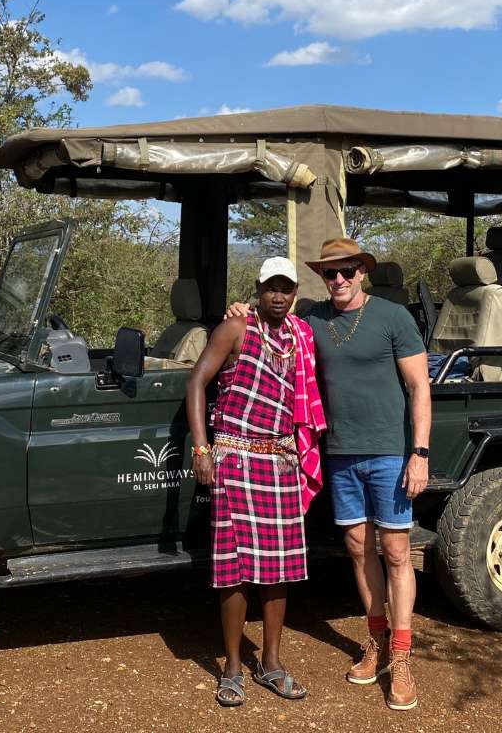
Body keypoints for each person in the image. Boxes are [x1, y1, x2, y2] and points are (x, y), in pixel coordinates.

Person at [227, 237, 431, 711]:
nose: (338, 280)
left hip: (389, 451)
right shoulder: (313, 318)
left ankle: (401, 657)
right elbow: (266, 320)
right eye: (329, 273)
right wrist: (235, 309)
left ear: (363, 272)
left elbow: (419, 386)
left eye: (347, 272)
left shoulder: (392, 317)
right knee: (359, 551)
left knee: (397, 551)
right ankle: (375, 641)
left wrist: (418, 453)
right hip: (338, 452)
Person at [186, 256, 325, 708]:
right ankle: (231, 666)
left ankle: (271, 662)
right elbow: (197, 384)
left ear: (295, 293)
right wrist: (203, 449)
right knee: (234, 571)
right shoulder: (237, 328)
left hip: (280, 460)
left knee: (279, 569)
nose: (279, 296)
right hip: (235, 458)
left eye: (287, 288)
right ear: (259, 290)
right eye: (271, 288)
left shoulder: (301, 337)